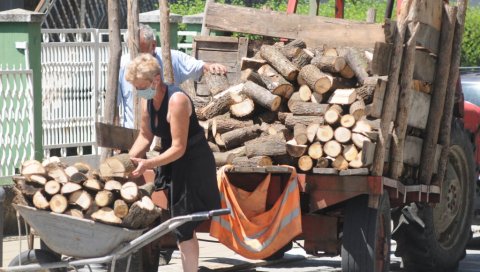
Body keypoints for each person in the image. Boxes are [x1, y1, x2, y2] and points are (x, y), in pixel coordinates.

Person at [126, 53, 221, 272]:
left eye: (141, 86)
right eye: (136, 87)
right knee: (178, 222)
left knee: (184, 224)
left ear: (156, 80)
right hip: (173, 162)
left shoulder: (177, 101)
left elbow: (179, 147)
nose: (139, 91)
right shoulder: (146, 101)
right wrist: (128, 162)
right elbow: (145, 136)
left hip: (192, 163)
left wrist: (148, 164)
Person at [118, 23, 227, 128]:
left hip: (168, 133)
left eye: (142, 53)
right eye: (134, 53)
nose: (139, 59)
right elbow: (115, 105)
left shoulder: (170, 58)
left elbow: (197, 66)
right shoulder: (122, 65)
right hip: (133, 131)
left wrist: (211, 66)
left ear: (153, 45)